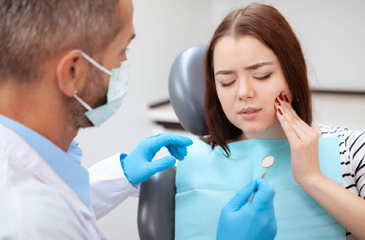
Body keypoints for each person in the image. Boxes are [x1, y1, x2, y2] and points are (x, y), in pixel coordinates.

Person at [0, 0, 274, 239]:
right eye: (122, 50)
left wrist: (122, 174)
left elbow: (63, 201)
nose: (123, 64)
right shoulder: (27, 224)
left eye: (262, 75)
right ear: (73, 72)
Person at [175, 3, 365, 240]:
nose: (243, 92)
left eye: (262, 75)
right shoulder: (185, 164)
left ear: (292, 75)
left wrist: (313, 178)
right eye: (227, 82)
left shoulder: (352, 149)